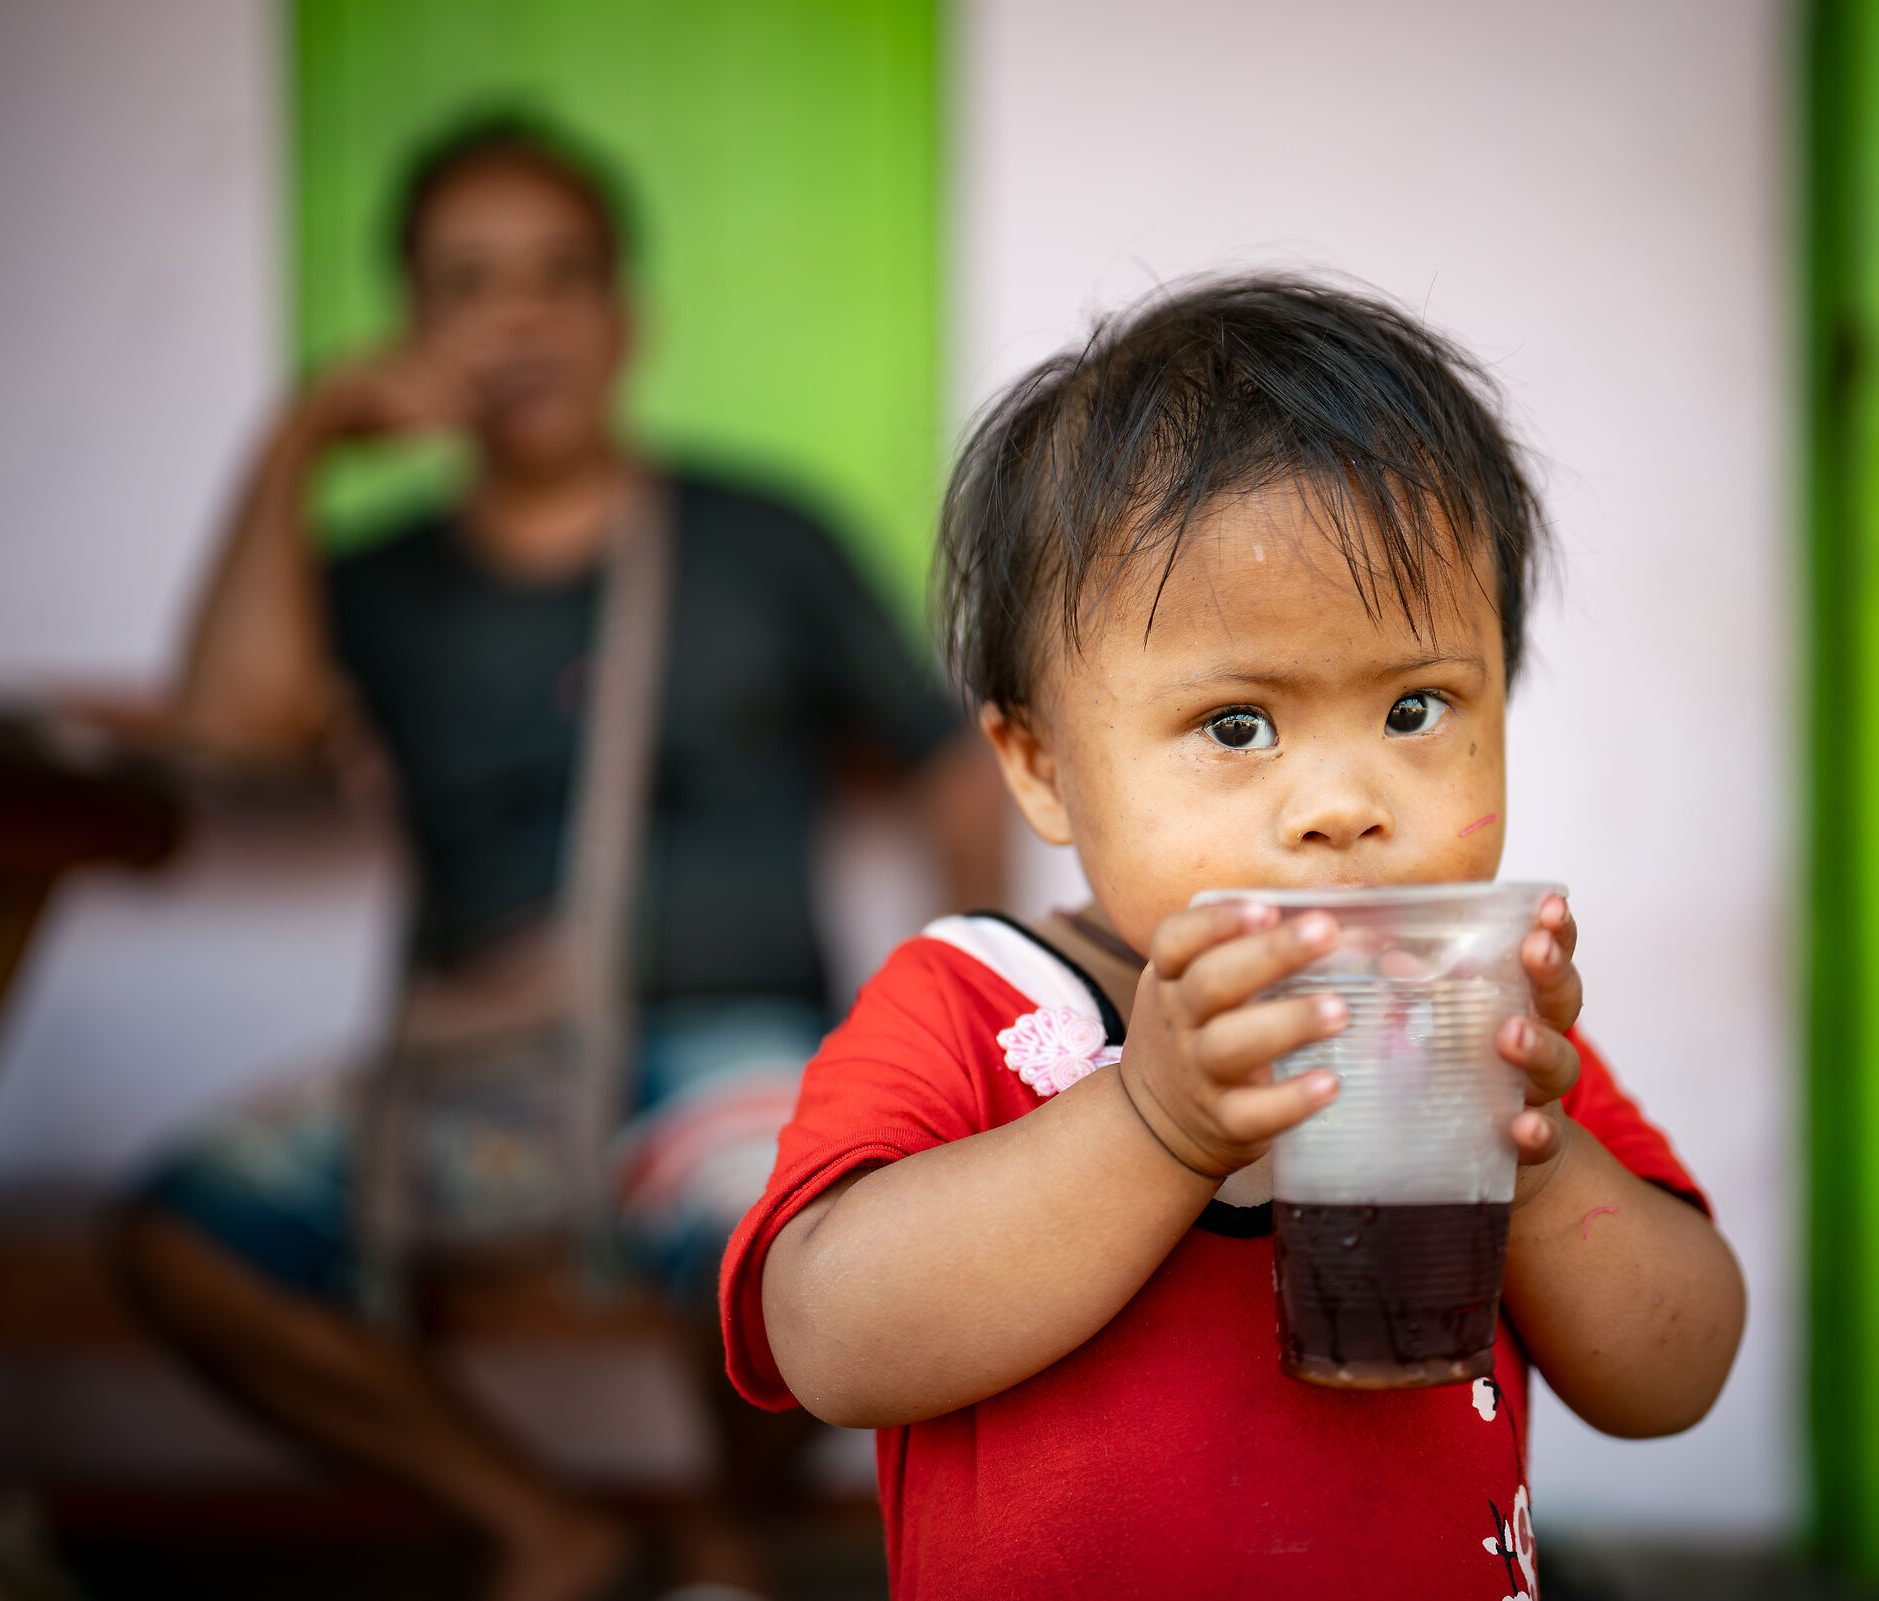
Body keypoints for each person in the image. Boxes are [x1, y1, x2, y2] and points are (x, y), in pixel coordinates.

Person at [718, 277, 1746, 1596]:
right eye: (1237, 725)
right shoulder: (968, 1007)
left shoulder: (1481, 1028)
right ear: (1039, 765)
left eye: (1419, 707)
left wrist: (1533, 1169)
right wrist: (1155, 1122)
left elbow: (1679, 1368)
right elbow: (829, 1342)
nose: (1340, 807)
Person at [115, 117, 1001, 1601]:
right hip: (482, 1074)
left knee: (797, 1231)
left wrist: (967, 1023)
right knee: (178, 1242)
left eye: (557, 276)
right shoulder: (384, 577)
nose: (518, 316)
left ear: (624, 317)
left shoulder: (763, 537)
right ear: (412, 324)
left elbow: (949, 761)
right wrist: (300, 440)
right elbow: (224, 734)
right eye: (467, 283)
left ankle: (729, 1524)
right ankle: (540, 1526)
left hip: (737, 1053)